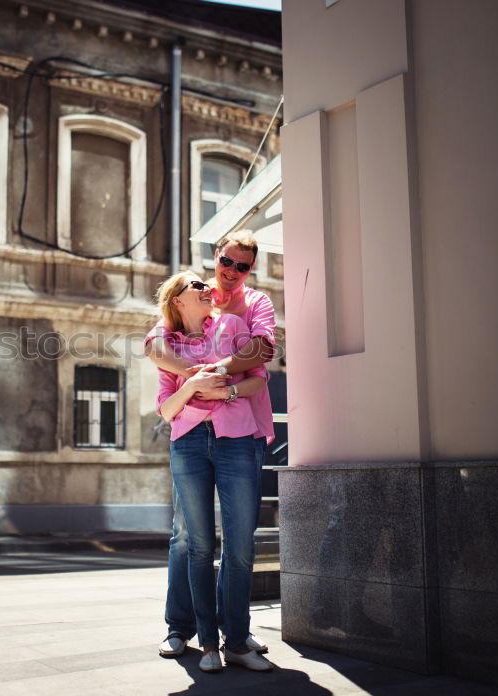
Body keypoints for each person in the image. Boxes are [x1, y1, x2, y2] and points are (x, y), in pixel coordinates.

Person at [146, 230, 277, 670]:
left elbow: (263, 353)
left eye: (243, 266)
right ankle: (183, 629)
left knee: (238, 542)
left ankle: (234, 633)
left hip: (243, 430)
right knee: (189, 540)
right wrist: (193, 378)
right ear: (215, 257)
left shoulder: (249, 308)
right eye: (228, 262)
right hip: (190, 437)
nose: (233, 272)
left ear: (250, 269)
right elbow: (155, 345)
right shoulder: (192, 295)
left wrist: (220, 379)